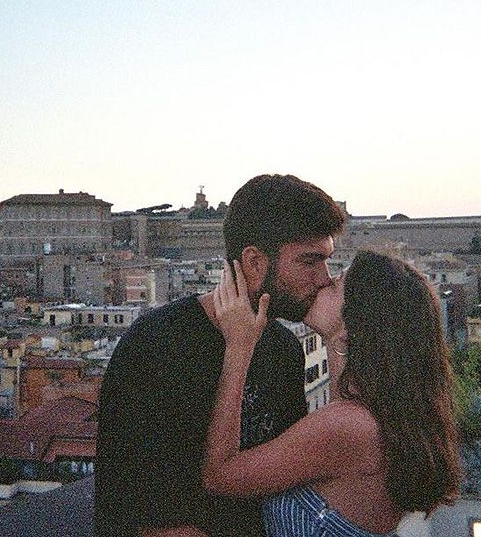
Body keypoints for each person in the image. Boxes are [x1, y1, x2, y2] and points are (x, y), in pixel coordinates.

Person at [95, 175, 347, 537]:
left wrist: (335, 337)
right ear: (255, 263)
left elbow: (310, 470)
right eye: (310, 261)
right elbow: (142, 520)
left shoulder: (283, 349)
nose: (325, 279)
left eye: (327, 261)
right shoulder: (157, 345)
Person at [203, 250, 461, 537]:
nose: (324, 281)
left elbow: (220, 476)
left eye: (336, 284)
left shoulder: (347, 427)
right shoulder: (383, 418)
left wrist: (239, 347)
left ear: (357, 322)